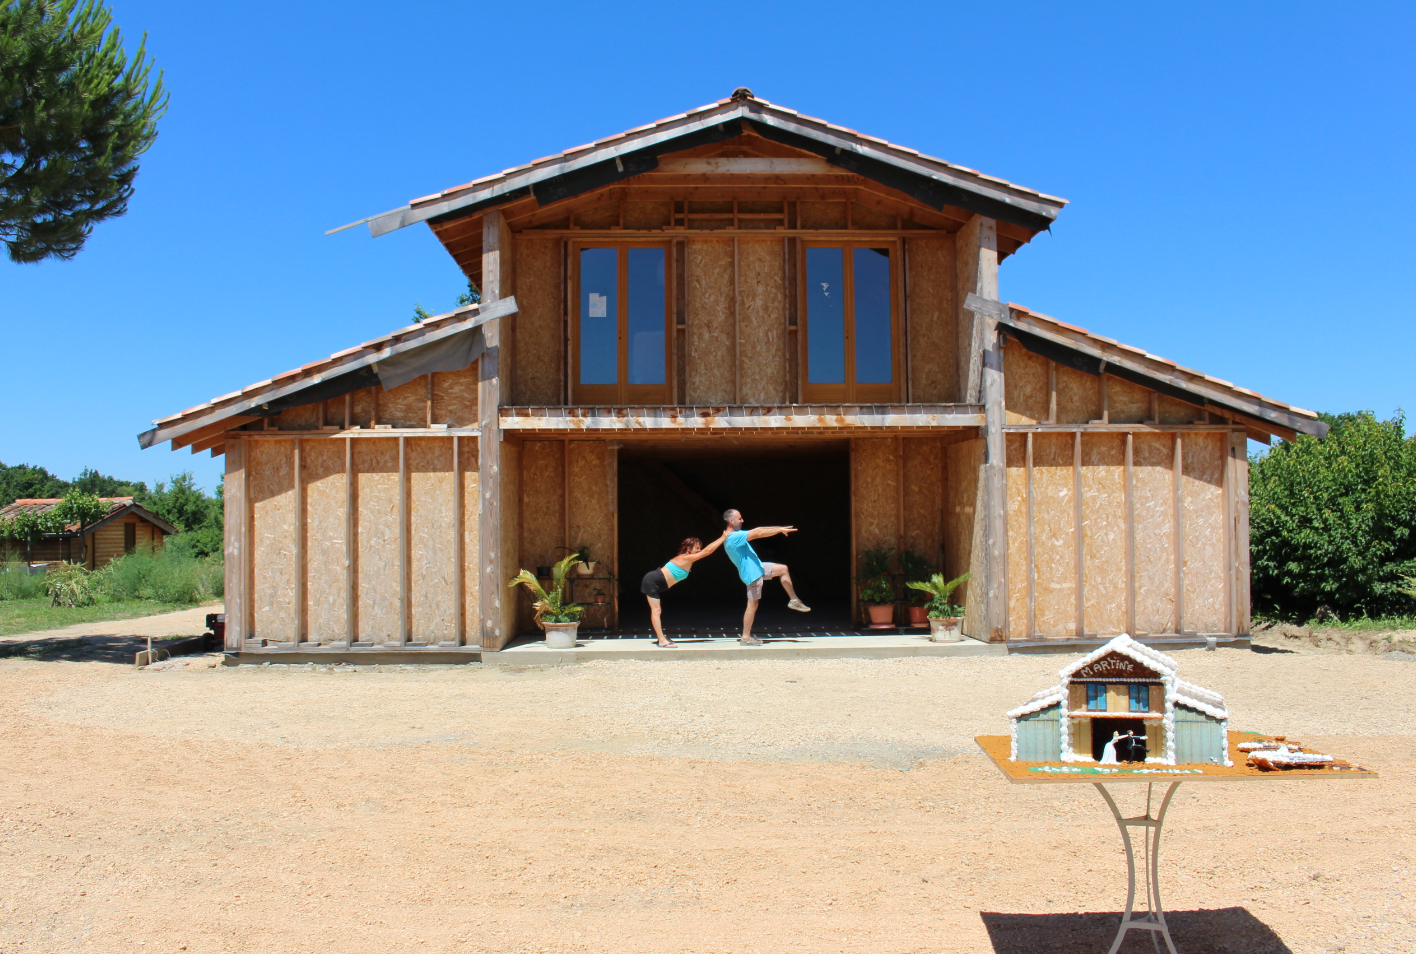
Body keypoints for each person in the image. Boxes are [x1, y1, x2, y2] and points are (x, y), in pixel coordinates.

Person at [722, 508, 810, 645]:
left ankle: (794, 600)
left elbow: (759, 530)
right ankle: (745, 637)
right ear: (731, 521)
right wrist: (779, 530)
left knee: (783, 569)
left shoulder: (736, 534)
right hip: (752, 574)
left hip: (759, 568)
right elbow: (758, 532)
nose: (742, 520)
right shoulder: (733, 537)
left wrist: (779, 528)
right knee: (752, 605)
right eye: (740, 518)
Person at [639, 530, 729, 648]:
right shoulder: (685, 558)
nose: (699, 550)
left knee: (657, 610)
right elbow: (707, 552)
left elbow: (705, 551)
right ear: (688, 549)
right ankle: (661, 640)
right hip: (652, 580)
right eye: (697, 548)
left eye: (699, 548)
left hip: (657, 581)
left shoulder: (688, 559)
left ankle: (661, 637)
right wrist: (722, 538)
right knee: (656, 611)